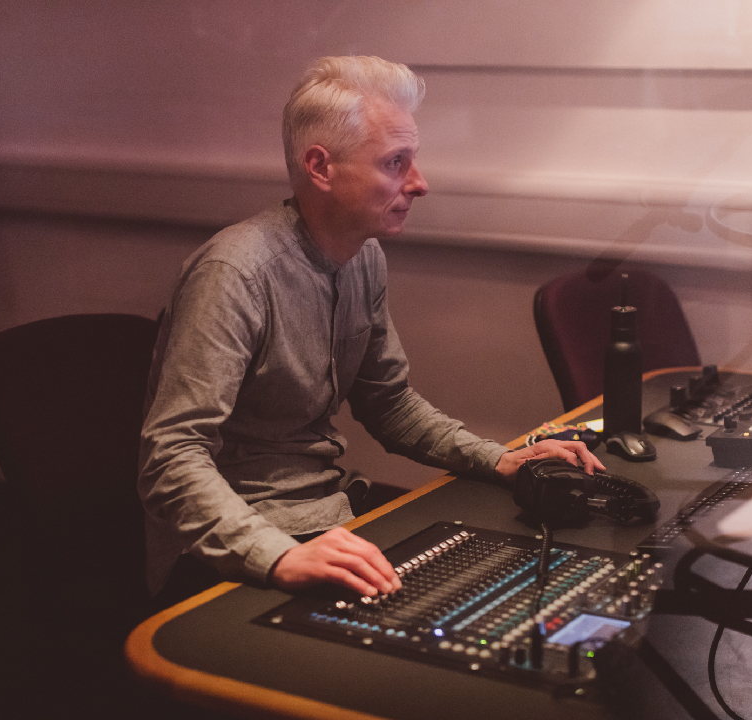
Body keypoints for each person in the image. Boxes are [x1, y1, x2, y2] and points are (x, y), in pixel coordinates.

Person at [138, 55, 603, 605]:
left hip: (324, 515)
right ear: (321, 167)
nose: (419, 183)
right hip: (233, 546)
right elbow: (171, 456)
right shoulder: (234, 273)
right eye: (395, 162)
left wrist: (497, 458)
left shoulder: (364, 257)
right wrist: (277, 556)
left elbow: (389, 403)